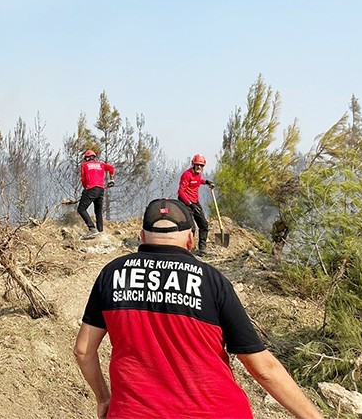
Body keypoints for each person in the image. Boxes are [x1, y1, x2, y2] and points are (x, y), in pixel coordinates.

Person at [74, 198, 323, 419]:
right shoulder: (211, 280)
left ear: (142, 237)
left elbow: (84, 351)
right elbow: (263, 368)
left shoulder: (112, 274)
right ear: (191, 239)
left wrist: (104, 398)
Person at [178, 153, 213, 255]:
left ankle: (202, 249)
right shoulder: (186, 175)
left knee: (204, 224)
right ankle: (187, 250)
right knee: (191, 228)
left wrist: (206, 182)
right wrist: (189, 204)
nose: (199, 167)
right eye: (197, 164)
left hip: (195, 202)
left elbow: (196, 181)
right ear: (193, 164)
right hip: (185, 202)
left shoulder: (198, 174)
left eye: (201, 165)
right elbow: (181, 191)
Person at [77, 150, 115, 239]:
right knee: (98, 211)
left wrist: (85, 188)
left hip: (91, 189)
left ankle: (92, 228)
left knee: (81, 209)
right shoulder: (101, 165)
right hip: (101, 189)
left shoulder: (84, 165)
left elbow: (83, 179)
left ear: (86, 158)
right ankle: (100, 231)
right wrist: (112, 179)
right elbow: (111, 168)